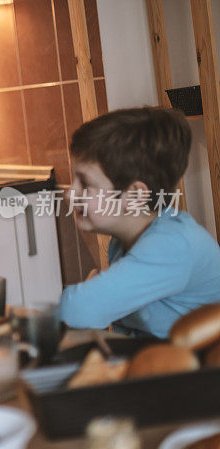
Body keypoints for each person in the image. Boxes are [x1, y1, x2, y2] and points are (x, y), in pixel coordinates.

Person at [59, 107, 220, 338]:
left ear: (134, 196)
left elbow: (76, 310)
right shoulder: (123, 242)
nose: (70, 193)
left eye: (85, 183)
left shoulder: (171, 246)